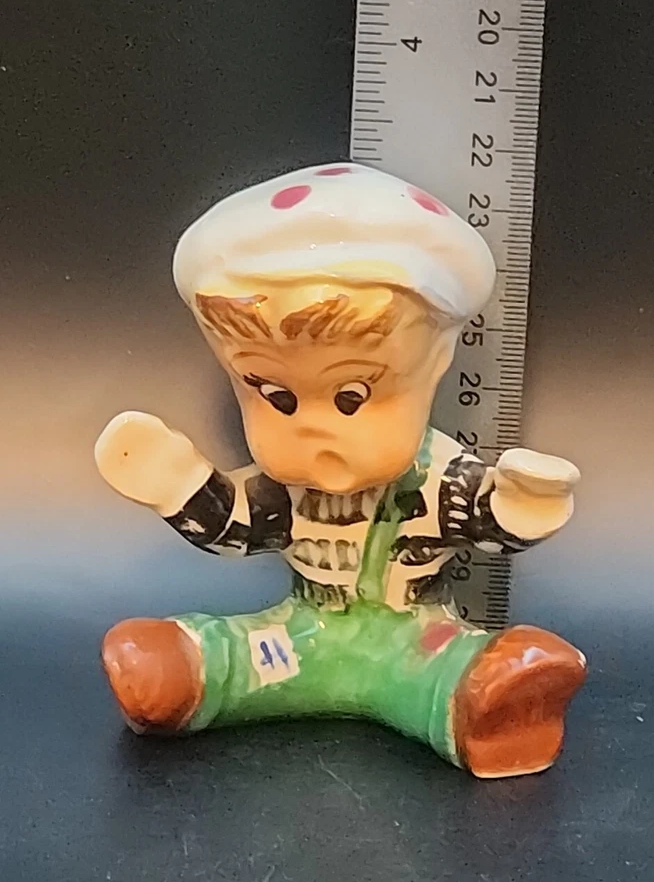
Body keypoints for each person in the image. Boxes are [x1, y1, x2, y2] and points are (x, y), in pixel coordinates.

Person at [95, 163, 586, 778]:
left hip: (411, 637)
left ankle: (487, 702)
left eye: (352, 396)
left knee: (444, 665)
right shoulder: (285, 491)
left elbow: (482, 520)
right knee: (250, 655)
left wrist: (522, 502)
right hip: (304, 634)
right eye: (275, 396)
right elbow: (239, 528)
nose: (316, 433)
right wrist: (180, 486)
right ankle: (185, 673)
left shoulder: (437, 477)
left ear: (435, 362)